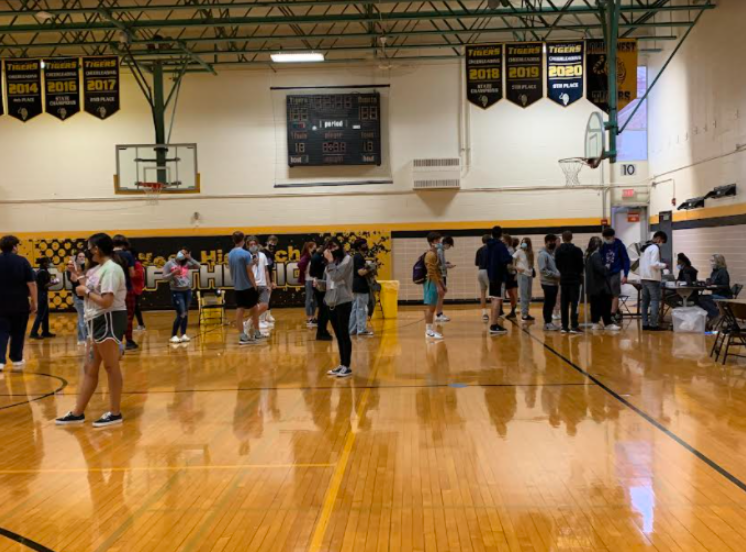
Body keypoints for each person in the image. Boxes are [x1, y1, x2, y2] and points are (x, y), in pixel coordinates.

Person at [56, 233, 128, 427]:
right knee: (90, 368)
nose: (87, 250)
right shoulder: (98, 269)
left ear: (96, 248)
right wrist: (78, 274)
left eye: (89, 246)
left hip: (109, 319)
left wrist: (85, 291)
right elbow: (87, 287)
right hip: (95, 320)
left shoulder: (112, 270)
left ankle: (115, 413)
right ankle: (78, 412)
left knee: (111, 366)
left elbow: (106, 301)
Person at [0, 235, 37, 372]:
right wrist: (35, 301)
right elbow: (32, 283)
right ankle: (16, 359)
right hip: (19, 304)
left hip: (1, 305)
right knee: (18, 332)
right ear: (14, 246)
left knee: (1, 332)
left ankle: (0, 361)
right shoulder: (22, 261)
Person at [324, 241, 354, 377]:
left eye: (334, 246)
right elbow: (331, 281)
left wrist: (329, 261)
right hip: (331, 301)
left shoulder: (347, 259)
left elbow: (337, 276)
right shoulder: (332, 262)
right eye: (329, 247)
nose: (332, 249)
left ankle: (347, 366)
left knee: (344, 334)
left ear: (340, 247)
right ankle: (342, 364)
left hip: (343, 301)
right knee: (338, 335)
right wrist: (320, 283)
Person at [228, 231, 261, 345]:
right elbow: (249, 272)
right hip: (247, 286)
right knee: (255, 308)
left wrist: (252, 263)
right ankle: (257, 332)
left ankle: (242, 335)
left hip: (237, 286)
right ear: (243, 239)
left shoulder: (230, 253)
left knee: (240, 309)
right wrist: (254, 285)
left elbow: (234, 268)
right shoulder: (245, 254)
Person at [163, 248, 199, 343]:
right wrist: (173, 273)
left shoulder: (186, 263)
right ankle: (173, 335)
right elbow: (164, 278)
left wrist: (190, 258)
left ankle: (183, 334)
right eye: (181, 252)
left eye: (185, 254)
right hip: (176, 292)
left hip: (187, 291)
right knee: (181, 313)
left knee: (185, 313)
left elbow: (198, 266)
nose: (182, 254)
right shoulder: (169, 263)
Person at [585, 237, 619, 331]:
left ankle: (595, 323)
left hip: (593, 286)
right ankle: (608, 324)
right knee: (605, 305)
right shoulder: (596, 255)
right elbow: (600, 269)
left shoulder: (588, 255)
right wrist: (607, 267)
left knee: (595, 306)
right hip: (600, 286)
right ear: (598, 245)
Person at [112, 234, 138, 351]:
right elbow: (132, 274)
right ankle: (129, 341)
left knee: (114, 316)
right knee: (128, 317)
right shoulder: (127, 255)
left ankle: (115, 341)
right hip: (126, 289)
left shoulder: (109, 256)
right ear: (124, 244)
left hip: (112, 290)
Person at [485, 226, 514, 335]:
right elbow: (506, 259)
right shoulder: (500, 246)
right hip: (499, 276)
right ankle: (494, 325)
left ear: (492, 234)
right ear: (501, 234)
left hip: (491, 275)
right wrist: (511, 257)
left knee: (493, 299)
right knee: (497, 300)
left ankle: (493, 323)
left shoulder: (488, 246)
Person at [555, 230, 584, 334]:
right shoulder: (577, 250)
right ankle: (574, 326)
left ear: (562, 238)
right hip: (575, 280)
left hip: (564, 280)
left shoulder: (558, 250)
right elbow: (581, 265)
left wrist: (563, 272)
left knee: (564, 303)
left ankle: (564, 326)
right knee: (574, 303)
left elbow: (557, 264)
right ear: (572, 237)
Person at [639, 231, 669, 331]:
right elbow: (654, 264)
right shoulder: (655, 248)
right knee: (655, 301)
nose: (662, 244)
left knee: (645, 302)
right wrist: (664, 265)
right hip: (652, 278)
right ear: (659, 238)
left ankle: (645, 324)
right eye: (662, 241)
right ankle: (653, 325)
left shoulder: (645, 247)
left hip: (644, 277)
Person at [600, 228, 630, 321]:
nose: (606, 240)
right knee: (607, 295)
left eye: (608, 238)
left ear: (613, 236)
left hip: (615, 272)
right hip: (605, 273)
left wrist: (625, 275)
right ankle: (616, 311)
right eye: (605, 238)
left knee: (615, 294)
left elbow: (626, 260)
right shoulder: (603, 246)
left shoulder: (619, 245)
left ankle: (612, 314)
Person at [349, 238, 374, 337]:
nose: (366, 246)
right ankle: (361, 330)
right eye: (365, 244)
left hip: (355, 286)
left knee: (355, 308)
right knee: (362, 309)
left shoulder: (356, 257)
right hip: (360, 286)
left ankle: (352, 329)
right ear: (360, 246)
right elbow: (361, 272)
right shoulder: (359, 257)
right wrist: (370, 267)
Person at [247, 236, 272, 331]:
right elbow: (246, 270)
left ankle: (250, 321)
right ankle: (254, 327)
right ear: (248, 245)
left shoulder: (262, 255)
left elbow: (266, 271)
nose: (253, 246)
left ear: (257, 244)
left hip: (262, 283)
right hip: (251, 284)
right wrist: (253, 263)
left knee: (264, 305)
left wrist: (268, 284)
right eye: (251, 244)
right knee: (253, 306)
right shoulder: (246, 256)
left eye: (254, 244)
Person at [423, 232, 444, 340]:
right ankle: (429, 331)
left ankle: (430, 330)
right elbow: (431, 272)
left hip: (434, 282)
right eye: (437, 241)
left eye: (439, 240)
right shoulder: (430, 254)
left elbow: (437, 271)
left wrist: (441, 284)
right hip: (431, 283)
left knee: (432, 307)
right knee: (431, 308)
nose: (439, 242)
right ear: (432, 242)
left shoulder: (434, 253)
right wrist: (438, 286)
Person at [310, 239, 333, 341]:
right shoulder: (317, 257)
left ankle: (323, 330)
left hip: (325, 286)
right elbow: (312, 273)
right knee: (324, 310)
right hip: (321, 286)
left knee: (325, 310)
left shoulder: (324, 257)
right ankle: (321, 331)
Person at [538, 234, 561, 332]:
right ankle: (547, 323)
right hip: (547, 283)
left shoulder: (553, 253)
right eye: (551, 241)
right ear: (546, 242)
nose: (553, 243)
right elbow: (543, 270)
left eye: (554, 241)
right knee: (548, 303)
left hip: (554, 282)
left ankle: (549, 322)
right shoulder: (542, 255)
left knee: (551, 303)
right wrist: (555, 275)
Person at [29, 256, 56, 339]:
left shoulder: (40, 271)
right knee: (40, 314)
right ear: (45, 263)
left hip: (41, 294)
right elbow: (43, 286)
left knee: (45, 313)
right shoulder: (43, 272)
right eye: (49, 262)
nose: (50, 263)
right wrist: (54, 282)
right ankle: (33, 333)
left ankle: (45, 331)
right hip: (42, 295)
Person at [700, 254, 732, 321]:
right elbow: (713, 284)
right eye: (710, 261)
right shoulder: (714, 272)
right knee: (700, 297)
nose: (711, 263)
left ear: (718, 262)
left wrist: (715, 286)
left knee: (704, 298)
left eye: (712, 261)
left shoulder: (723, 272)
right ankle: (712, 315)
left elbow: (725, 286)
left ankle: (715, 315)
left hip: (724, 295)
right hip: (716, 294)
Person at [67, 251, 88, 345]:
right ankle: (85, 339)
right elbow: (74, 280)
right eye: (80, 256)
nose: (82, 258)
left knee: (81, 318)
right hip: (78, 297)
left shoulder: (86, 268)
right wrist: (74, 270)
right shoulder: (71, 268)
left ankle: (81, 339)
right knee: (82, 318)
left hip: (86, 296)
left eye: (83, 256)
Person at [513, 237, 535, 322]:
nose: (524, 243)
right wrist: (516, 268)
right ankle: (524, 315)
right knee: (523, 295)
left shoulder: (530, 252)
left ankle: (526, 312)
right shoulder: (519, 251)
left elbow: (531, 264)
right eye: (523, 242)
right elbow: (512, 260)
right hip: (522, 275)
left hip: (529, 275)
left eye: (526, 242)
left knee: (528, 295)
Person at [435, 236, 455, 323]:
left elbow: (440, 263)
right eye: (449, 246)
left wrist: (445, 264)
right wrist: (448, 266)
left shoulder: (439, 249)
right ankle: (439, 314)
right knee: (441, 295)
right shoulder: (440, 251)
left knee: (440, 295)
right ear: (446, 244)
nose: (449, 248)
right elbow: (439, 266)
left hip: (440, 274)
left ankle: (439, 313)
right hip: (441, 275)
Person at [298, 241, 317, 328]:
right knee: (309, 298)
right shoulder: (306, 256)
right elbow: (300, 264)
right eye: (314, 246)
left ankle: (312, 316)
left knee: (314, 299)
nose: (316, 247)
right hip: (309, 280)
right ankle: (309, 317)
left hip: (313, 280)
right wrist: (305, 271)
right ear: (311, 247)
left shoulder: (311, 255)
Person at [501, 233, 519, 320]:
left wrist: (516, 273)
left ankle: (513, 310)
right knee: (509, 293)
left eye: (503, 240)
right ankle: (511, 310)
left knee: (511, 293)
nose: (502, 241)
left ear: (507, 241)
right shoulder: (506, 249)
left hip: (510, 273)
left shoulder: (510, 250)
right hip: (508, 273)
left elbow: (511, 263)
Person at [262, 235, 279, 324]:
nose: (273, 245)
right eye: (271, 242)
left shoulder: (272, 255)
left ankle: (268, 315)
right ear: (267, 242)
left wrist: (273, 281)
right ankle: (262, 317)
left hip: (268, 279)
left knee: (269, 298)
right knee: (262, 298)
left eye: (275, 243)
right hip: (262, 279)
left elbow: (271, 269)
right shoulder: (262, 252)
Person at [475, 234, 491, 321]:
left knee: (482, 293)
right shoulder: (491, 249)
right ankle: (495, 312)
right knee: (493, 294)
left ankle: (484, 314)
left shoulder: (479, 250)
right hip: (488, 272)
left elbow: (477, 263)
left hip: (480, 271)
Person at [131, 249, 146, 332]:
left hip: (136, 289)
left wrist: (128, 273)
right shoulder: (132, 264)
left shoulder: (137, 264)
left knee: (134, 307)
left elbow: (138, 275)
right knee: (134, 308)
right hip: (132, 289)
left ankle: (141, 324)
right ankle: (140, 324)